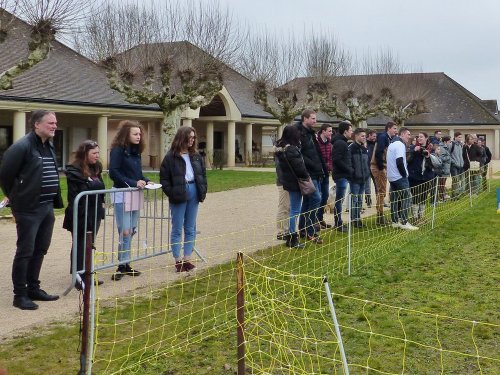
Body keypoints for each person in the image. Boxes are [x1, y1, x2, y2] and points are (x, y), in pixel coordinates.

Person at [0, 110, 63, 310]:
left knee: (40, 249)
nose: (54, 126)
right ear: (36, 124)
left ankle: (33, 288)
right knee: (25, 251)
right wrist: (17, 197)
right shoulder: (22, 147)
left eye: (55, 123)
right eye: (50, 123)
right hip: (28, 209)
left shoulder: (48, 146)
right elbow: (5, 175)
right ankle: (20, 295)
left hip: (46, 207)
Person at [160, 126, 207, 272]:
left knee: (191, 227)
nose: (192, 141)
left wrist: (202, 190)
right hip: (179, 192)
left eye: (194, 138)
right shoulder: (170, 157)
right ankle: (177, 260)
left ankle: (187, 259)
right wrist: (172, 192)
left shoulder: (196, 156)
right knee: (177, 227)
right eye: (189, 138)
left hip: (194, 189)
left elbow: (202, 175)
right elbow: (164, 179)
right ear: (182, 138)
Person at [109, 120, 150, 280]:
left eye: (140, 134)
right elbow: (114, 173)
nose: (139, 136)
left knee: (131, 230)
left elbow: (137, 174)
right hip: (122, 193)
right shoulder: (118, 150)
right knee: (124, 230)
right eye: (135, 133)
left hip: (135, 194)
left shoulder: (136, 152)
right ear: (126, 134)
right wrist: (133, 183)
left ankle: (126, 263)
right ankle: (121, 265)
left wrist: (145, 180)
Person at [62, 140, 106, 286]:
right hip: (80, 213)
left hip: (95, 212)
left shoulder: (96, 168)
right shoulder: (74, 170)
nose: (97, 156)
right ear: (85, 154)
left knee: (90, 244)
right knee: (80, 243)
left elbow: (100, 187)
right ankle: (78, 276)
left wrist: (102, 201)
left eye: (98, 153)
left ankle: (87, 274)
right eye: (94, 153)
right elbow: (78, 193)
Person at [275, 125, 310, 248]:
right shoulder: (290, 150)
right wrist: (306, 176)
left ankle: (287, 232)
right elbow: (298, 167)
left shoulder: (283, 149)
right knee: (288, 208)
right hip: (289, 181)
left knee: (291, 209)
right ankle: (286, 233)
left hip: (287, 181)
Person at [295, 109, 325, 244]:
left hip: (316, 172)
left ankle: (303, 228)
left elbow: (317, 152)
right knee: (316, 199)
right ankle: (310, 229)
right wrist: (312, 165)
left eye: (315, 118)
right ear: (305, 118)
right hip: (307, 172)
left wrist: (322, 167)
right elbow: (299, 154)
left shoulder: (311, 134)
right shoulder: (298, 132)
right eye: (313, 118)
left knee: (308, 201)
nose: (315, 121)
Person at [387, 127, 418, 230]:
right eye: (408, 135)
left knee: (394, 199)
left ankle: (395, 221)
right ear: (402, 134)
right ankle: (404, 222)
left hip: (392, 177)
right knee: (407, 197)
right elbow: (399, 161)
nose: (409, 137)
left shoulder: (391, 144)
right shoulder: (400, 145)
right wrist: (404, 174)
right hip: (399, 177)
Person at [370, 121, 398, 225]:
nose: (396, 131)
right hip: (378, 166)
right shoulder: (382, 137)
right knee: (381, 192)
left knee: (382, 191)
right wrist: (381, 167)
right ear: (389, 128)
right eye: (394, 128)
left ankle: (380, 216)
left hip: (383, 166)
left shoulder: (389, 139)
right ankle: (380, 217)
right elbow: (378, 152)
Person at [331, 121, 354, 232]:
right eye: (350, 130)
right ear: (345, 131)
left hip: (343, 174)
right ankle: (338, 223)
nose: (352, 132)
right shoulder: (340, 143)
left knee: (340, 199)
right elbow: (337, 160)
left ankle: (339, 221)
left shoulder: (342, 142)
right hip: (341, 175)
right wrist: (349, 169)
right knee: (339, 200)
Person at [408, 132, 435, 223]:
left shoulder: (431, 149)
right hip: (414, 177)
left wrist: (428, 156)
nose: (419, 138)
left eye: (421, 137)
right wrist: (414, 152)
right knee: (415, 196)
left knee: (423, 197)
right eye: (418, 137)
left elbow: (433, 165)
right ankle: (415, 217)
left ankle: (421, 216)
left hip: (426, 177)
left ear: (426, 138)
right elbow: (408, 161)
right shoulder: (412, 148)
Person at [348, 128, 370, 227]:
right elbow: (349, 163)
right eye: (362, 136)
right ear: (356, 136)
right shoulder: (351, 148)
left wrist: (367, 174)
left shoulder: (364, 148)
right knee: (354, 199)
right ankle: (353, 219)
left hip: (363, 178)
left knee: (360, 200)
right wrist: (353, 174)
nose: (364, 138)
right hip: (355, 179)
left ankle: (358, 218)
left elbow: (366, 163)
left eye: (365, 136)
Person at [316, 123, 333, 229]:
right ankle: (314, 220)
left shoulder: (330, 144)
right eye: (329, 131)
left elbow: (331, 157)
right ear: (323, 131)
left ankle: (320, 217)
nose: (331, 133)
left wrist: (329, 166)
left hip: (326, 173)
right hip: (318, 173)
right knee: (317, 197)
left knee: (325, 195)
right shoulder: (316, 143)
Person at [435, 136, 452, 201]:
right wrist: (448, 158)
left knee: (442, 184)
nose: (450, 143)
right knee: (441, 184)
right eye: (449, 142)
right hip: (443, 169)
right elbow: (440, 158)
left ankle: (442, 196)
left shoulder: (446, 148)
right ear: (445, 142)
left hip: (446, 168)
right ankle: (441, 197)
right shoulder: (442, 148)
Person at [449, 132, 465, 198]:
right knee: (455, 180)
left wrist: (462, 163)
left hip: (460, 166)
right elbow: (448, 155)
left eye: (461, 137)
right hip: (454, 166)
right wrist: (453, 162)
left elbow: (461, 155)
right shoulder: (451, 144)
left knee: (459, 180)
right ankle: (454, 196)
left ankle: (457, 194)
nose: (460, 138)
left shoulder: (460, 145)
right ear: (455, 137)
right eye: (459, 137)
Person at [364, 129, 377, 208]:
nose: (375, 137)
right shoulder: (365, 145)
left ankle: (379, 200)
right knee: (367, 186)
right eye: (374, 136)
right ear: (369, 135)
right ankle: (368, 201)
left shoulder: (375, 144)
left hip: (374, 168)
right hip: (367, 168)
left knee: (377, 185)